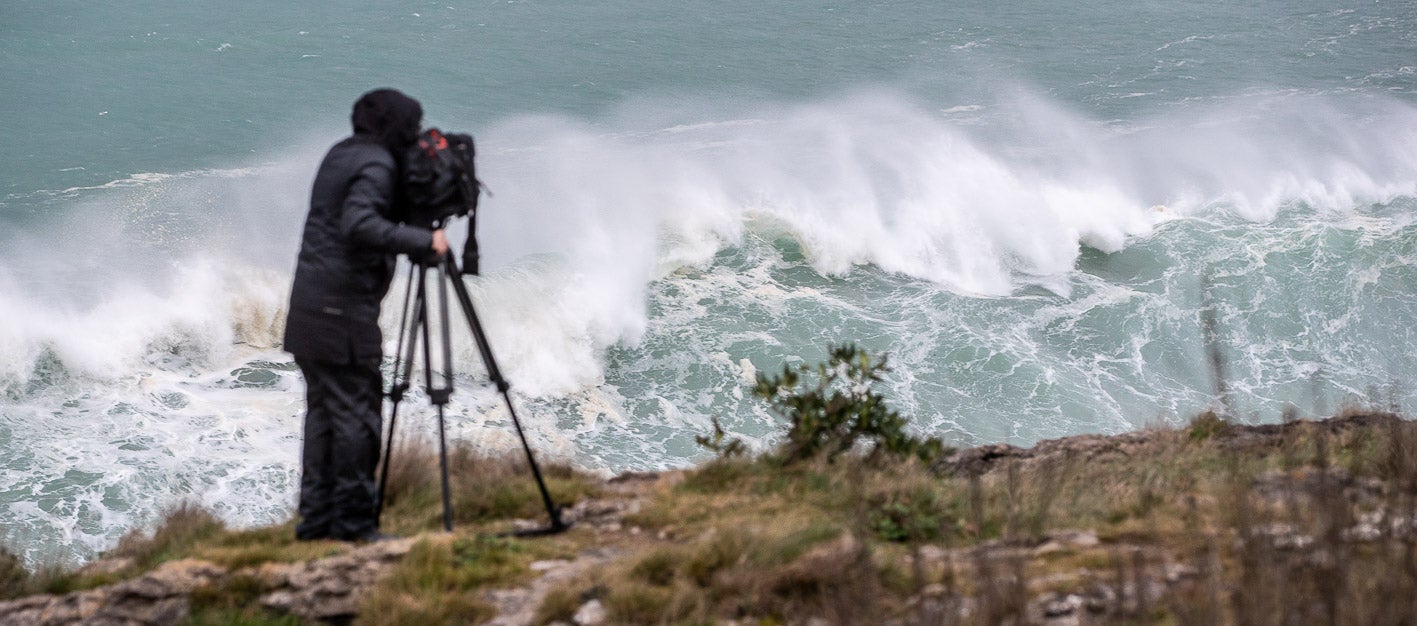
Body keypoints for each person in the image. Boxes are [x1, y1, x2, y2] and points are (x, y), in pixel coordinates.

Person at [283, 88, 449, 542]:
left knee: (323, 417)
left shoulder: (341, 154)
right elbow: (358, 223)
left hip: (308, 308)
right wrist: (423, 241)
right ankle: (356, 528)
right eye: (412, 127)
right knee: (357, 417)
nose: (415, 137)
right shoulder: (376, 164)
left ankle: (315, 523)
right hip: (342, 314)